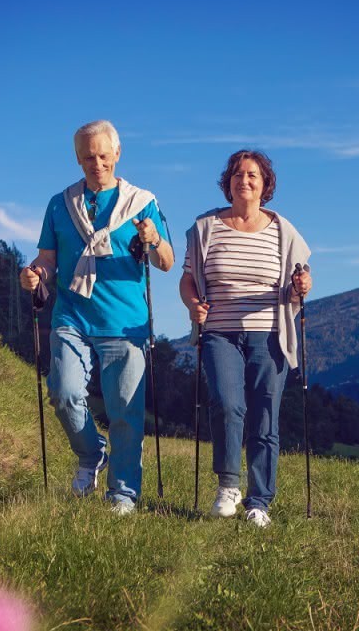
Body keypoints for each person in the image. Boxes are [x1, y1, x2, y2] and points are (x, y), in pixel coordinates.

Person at [20, 120, 173, 515]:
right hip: (71, 315)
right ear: (77, 158)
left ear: (117, 154)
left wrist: (153, 239)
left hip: (124, 323)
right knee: (64, 392)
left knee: (125, 411)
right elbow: (48, 260)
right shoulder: (60, 204)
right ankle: (91, 454)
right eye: (88, 156)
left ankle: (122, 494)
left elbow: (167, 262)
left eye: (104, 155)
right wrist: (35, 273)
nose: (97, 163)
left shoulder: (142, 203)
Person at [179, 150, 312, 527]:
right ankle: (228, 486)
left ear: (265, 183)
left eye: (253, 175)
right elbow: (188, 279)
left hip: (270, 335)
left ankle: (259, 502)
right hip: (219, 331)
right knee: (226, 403)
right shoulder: (206, 228)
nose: (244, 181)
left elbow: (301, 281)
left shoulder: (283, 231)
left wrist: (302, 287)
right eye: (238, 175)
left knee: (265, 417)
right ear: (228, 183)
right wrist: (193, 305)